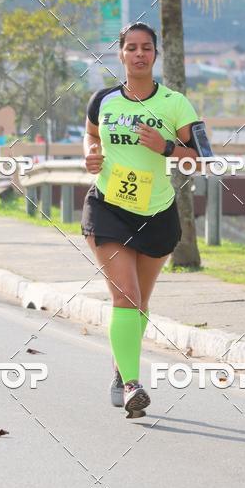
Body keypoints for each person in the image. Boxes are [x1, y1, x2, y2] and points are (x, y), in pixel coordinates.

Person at [81, 22, 201, 419]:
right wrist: (90, 154)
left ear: (155, 54)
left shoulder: (174, 104)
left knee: (140, 302)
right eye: (131, 47)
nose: (138, 54)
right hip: (108, 207)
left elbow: (202, 158)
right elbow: (91, 135)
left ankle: (121, 368)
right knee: (127, 297)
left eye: (146, 47)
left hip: (156, 213)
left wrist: (166, 147)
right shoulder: (103, 100)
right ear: (120, 54)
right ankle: (132, 385)